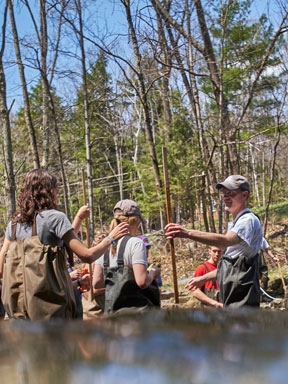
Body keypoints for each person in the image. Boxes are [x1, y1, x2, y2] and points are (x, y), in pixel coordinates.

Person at [0, 169, 129, 319]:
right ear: (48, 191)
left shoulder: (13, 225)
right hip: (51, 310)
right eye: (56, 189)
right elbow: (87, 256)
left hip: (20, 312)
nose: (58, 194)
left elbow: (1, 270)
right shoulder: (56, 218)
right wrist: (111, 238)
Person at [165, 175, 263, 308]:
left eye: (231, 193)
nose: (226, 198)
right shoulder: (236, 223)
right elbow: (229, 267)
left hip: (243, 294)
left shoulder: (248, 220)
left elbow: (225, 241)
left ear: (244, 195)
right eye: (224, 194)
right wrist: (202, 279)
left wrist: (187, 233)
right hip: (233, 293)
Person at [93, 199, 161, 313]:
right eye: (139, 223)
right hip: (136, 314)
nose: (139, 226)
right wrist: (153, 273)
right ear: (135, 220)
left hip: (113, 314)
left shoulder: (105, 245)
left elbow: (97, 283)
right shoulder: (136, 243)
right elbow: (142, 282)